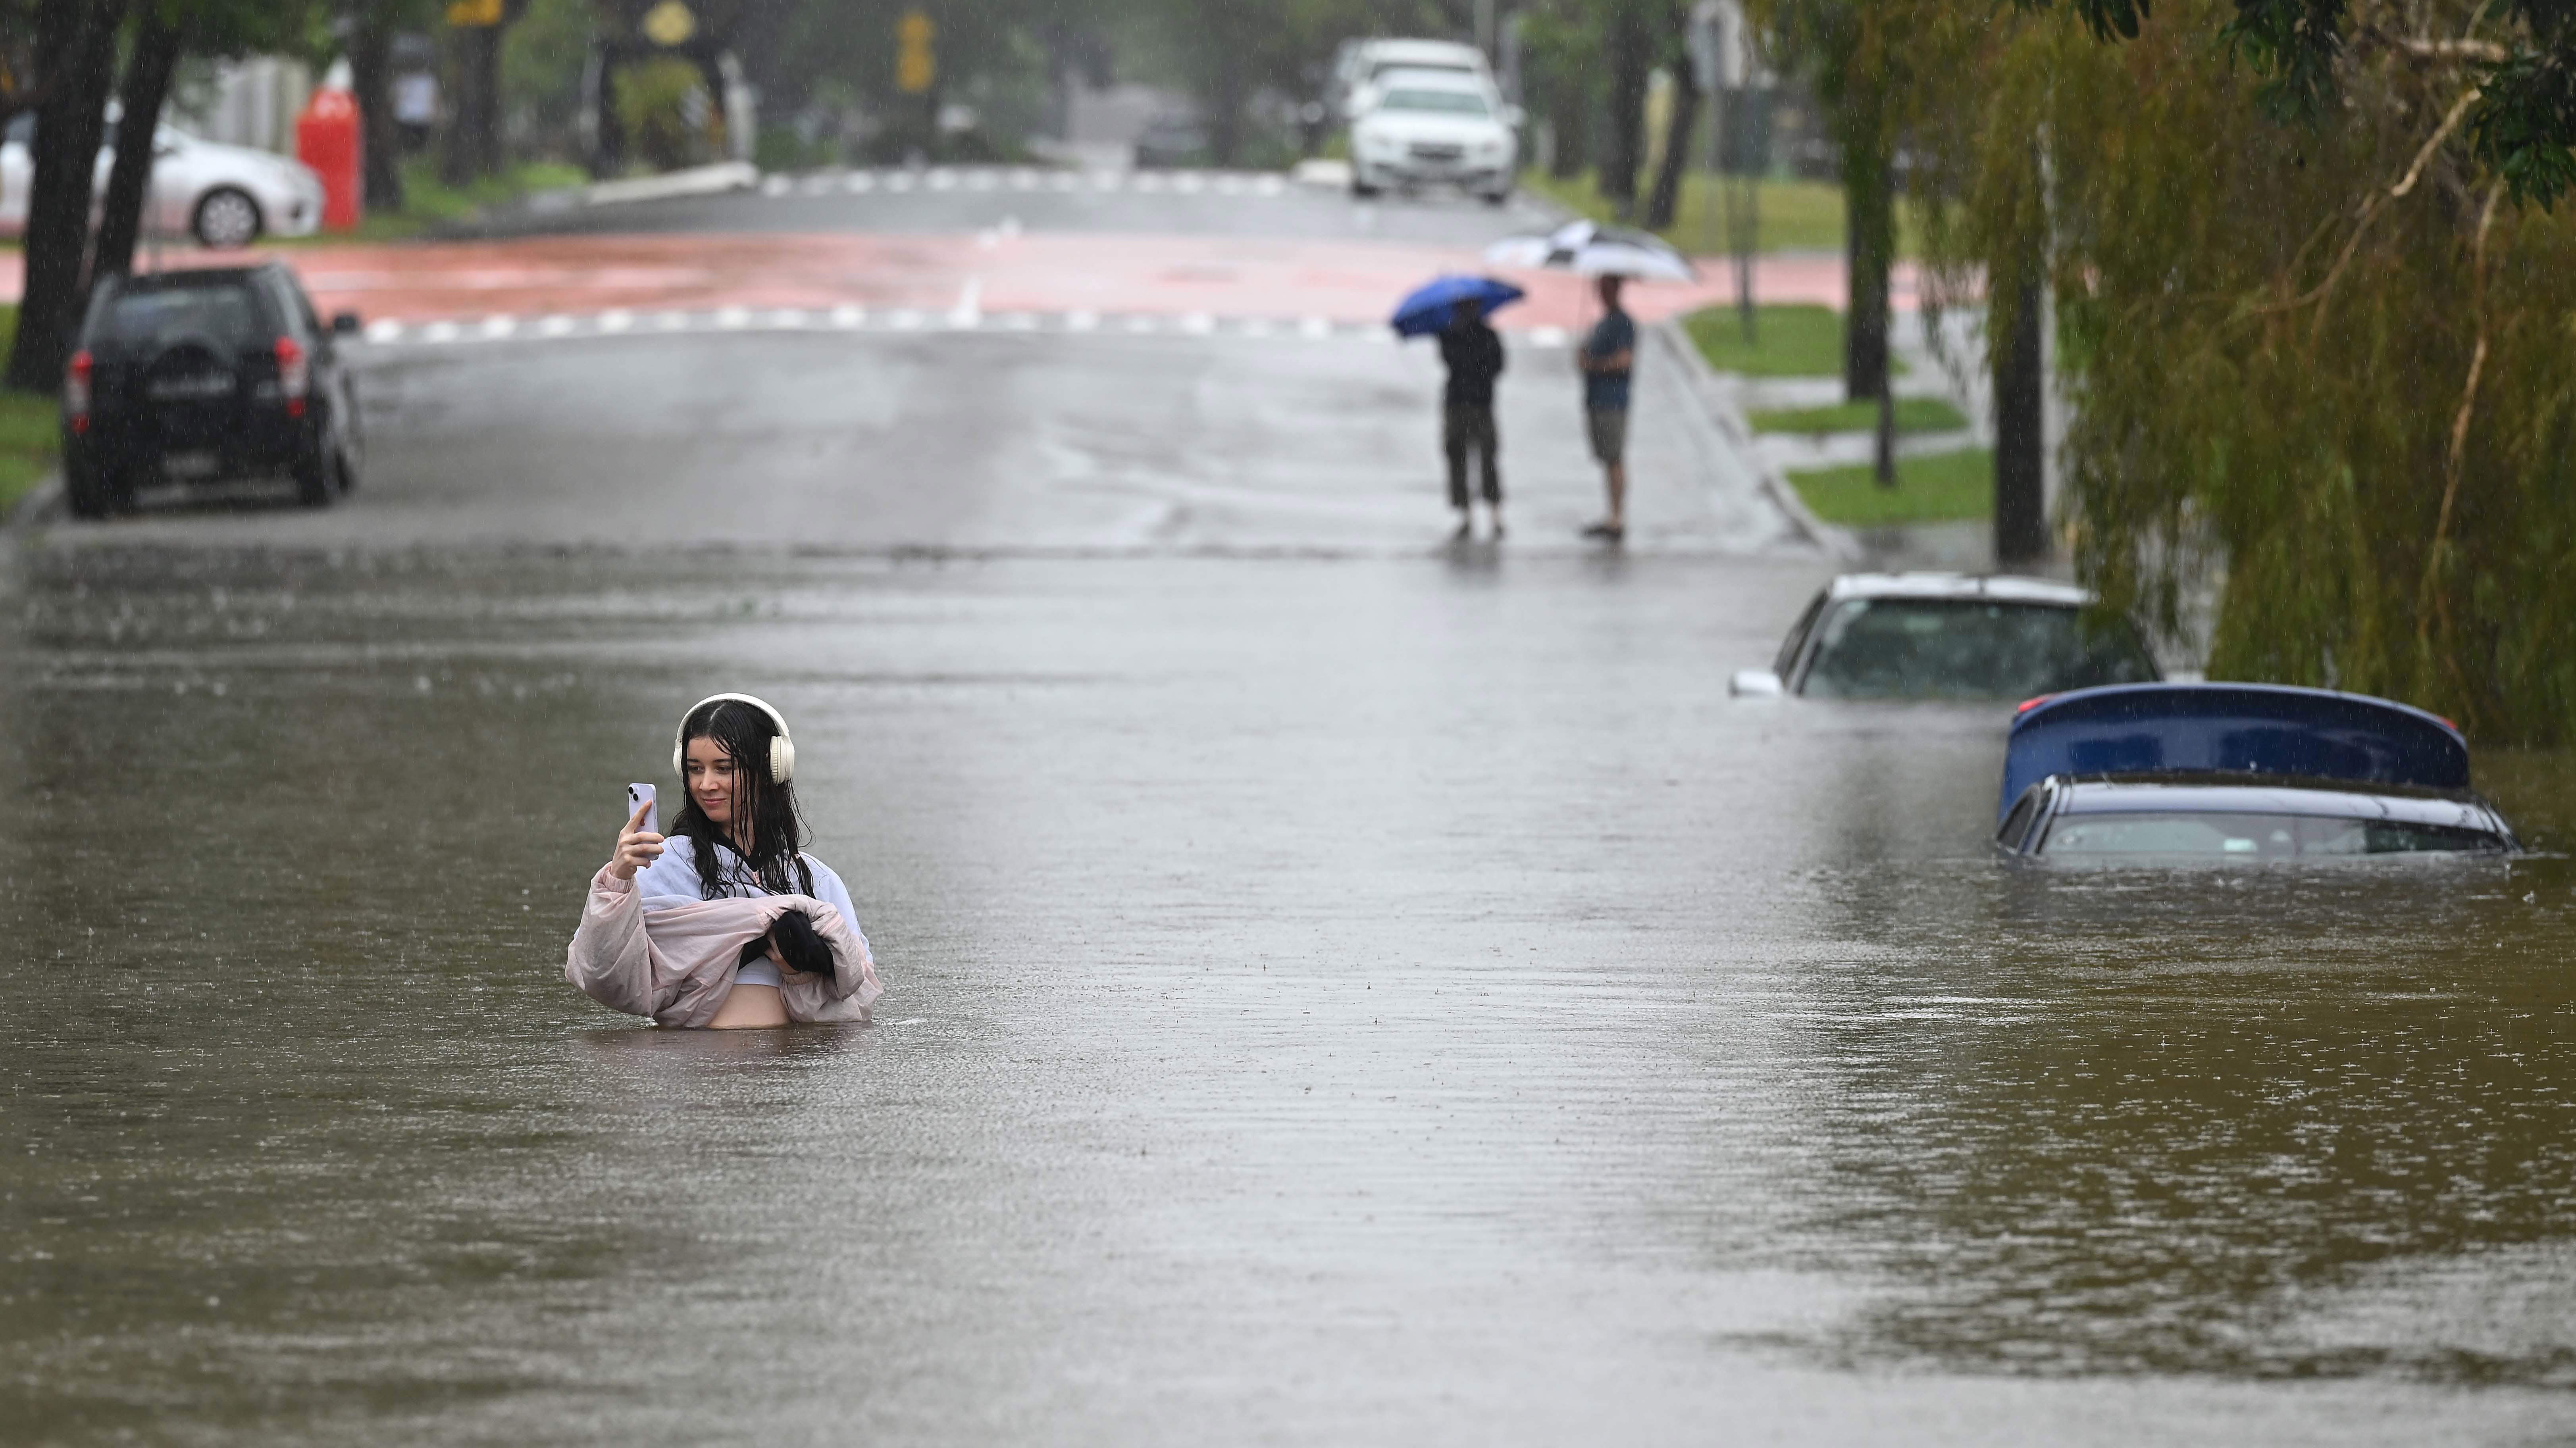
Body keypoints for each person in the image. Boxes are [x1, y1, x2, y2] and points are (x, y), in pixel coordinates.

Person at [578, 693, 880, 1029]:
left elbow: (860, 998)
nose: (706, 784)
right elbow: (604, 974)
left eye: (724, 768)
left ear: (770, 768)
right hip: (691, 1072)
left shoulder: (816, 880)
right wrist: (618, 878)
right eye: (695, 769)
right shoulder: (662, 867)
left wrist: (800, 968)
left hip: (791, 1072)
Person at [1437, 296, 1506, 540]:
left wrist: (1475, 359)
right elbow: (1449, 360)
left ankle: (1495, 513)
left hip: (1481, 403)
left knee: (1488, 457)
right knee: (1457, 457)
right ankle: (1465, 514)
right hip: (1457, 403)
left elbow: (1498, 366)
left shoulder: (1488, 335)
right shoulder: (1449, 333)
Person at [1575, 274, 1636, 543]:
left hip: (1613, 401)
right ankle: (1610, 514)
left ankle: (1617, 516)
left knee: (1615, 457)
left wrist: (1594, 365)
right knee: (1606, 458)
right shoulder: (1601, 324)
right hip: (1596, 400)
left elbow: (1624, 361)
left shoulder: (1623, 324)